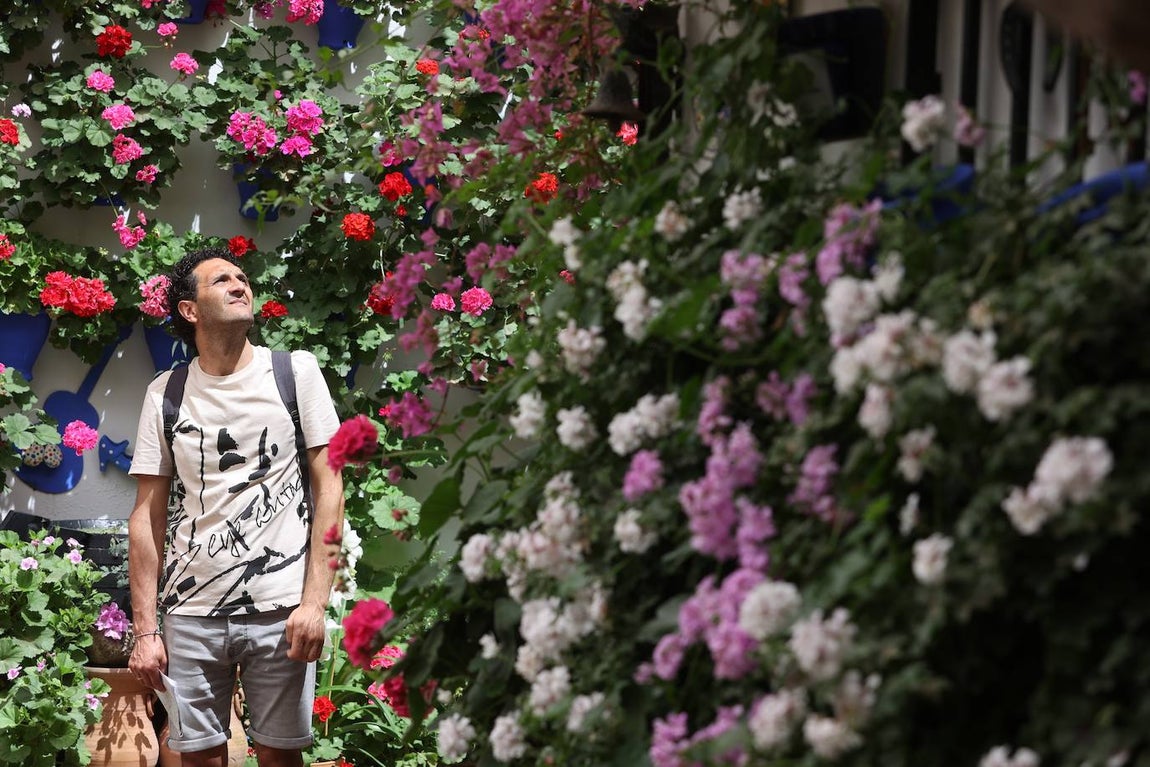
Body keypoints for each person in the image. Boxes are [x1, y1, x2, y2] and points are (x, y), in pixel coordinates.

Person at [127, 246, 344, 767]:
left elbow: (330, 487)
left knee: (279, 756)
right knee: (197, 758)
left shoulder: (295, 373)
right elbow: (146, 515)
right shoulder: (166, 392)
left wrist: (314, 603)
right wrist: (145, 631)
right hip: (191, 613)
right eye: (221, 279)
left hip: (281, 608)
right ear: (189, 310)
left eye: (243, 277)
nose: (240, 284)